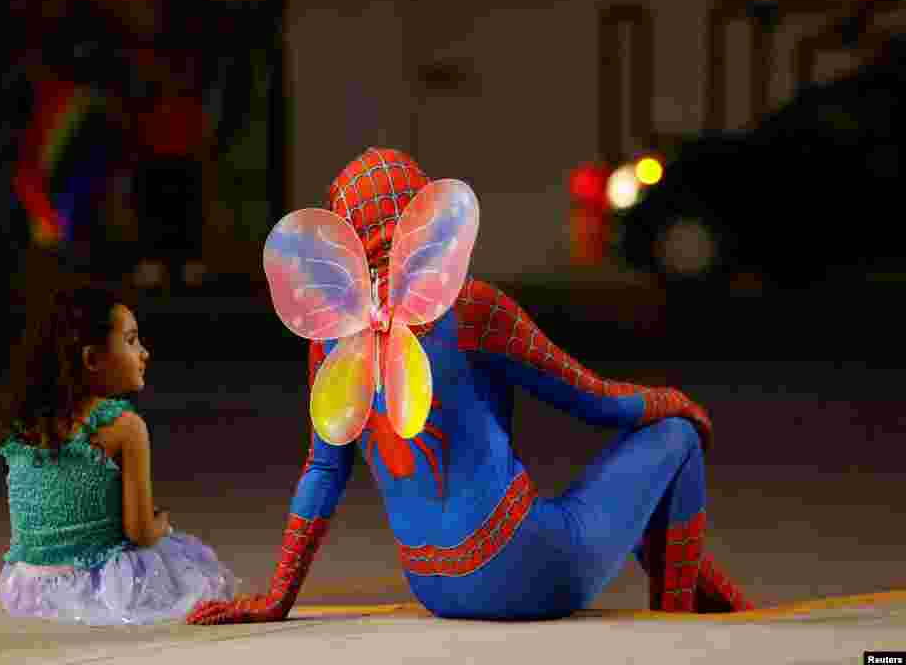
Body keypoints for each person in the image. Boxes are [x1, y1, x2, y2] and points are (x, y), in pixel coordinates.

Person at [188, 147, 754, 625]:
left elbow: (323, 471)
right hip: (524, 572)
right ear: (424, 217)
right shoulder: (471, 307)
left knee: (631, 495)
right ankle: (678, 621)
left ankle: (700, 582)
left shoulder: (330, 336)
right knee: (675, 438)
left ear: (344, 238)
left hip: (432, 587)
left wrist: (275, 600)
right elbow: (596, 401)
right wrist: (673, 402)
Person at [0, 284, 235, 625]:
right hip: (97, 586)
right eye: (132, 340)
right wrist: (161, 523)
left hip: (28, 585)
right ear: (92, 359)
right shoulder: (126, 427)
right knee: (176, 552)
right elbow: (139, 532)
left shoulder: (29, 425)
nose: (145, 352)